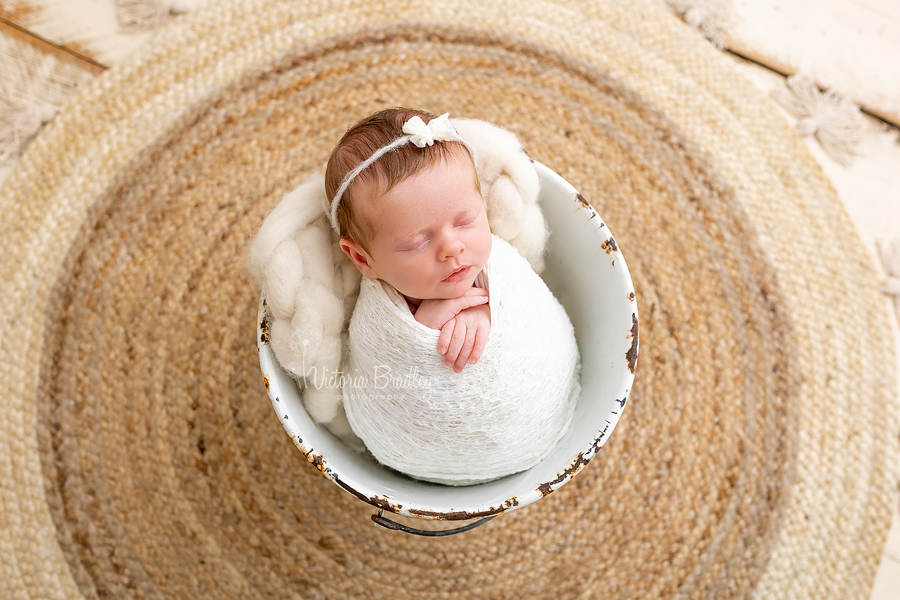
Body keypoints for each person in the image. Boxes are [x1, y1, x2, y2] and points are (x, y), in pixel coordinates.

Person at [327, 108, 493, 373]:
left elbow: (523, 306)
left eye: (465, 221)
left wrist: (489, 310)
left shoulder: (497, 268)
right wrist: (418, 334)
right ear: (363, 259)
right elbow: (375, 372)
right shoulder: (377, 315)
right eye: (417, 243)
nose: (452, 248)